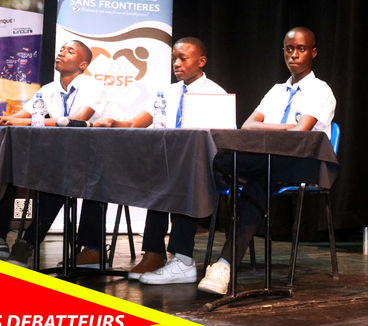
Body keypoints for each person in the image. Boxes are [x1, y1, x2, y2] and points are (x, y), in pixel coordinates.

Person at [198, 26, 335, 295]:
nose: (294, 55)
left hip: (303, 163)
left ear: (313, 52)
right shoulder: (276, 91)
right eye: (289, 49)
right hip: (267, 163)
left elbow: (301, 133)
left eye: (301, 49)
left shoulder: (321, 90)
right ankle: (224, 265)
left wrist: (275, 128)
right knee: (256, 181)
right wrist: (286, 126)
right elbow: (248, 125)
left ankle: (224, 182)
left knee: (223, 162)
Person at [94, 37, 229, 284]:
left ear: (201, 61)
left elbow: (224, 140)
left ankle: (182, 259)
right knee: (160, 174)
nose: (176, 64)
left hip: (204, 168)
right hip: (171, 166)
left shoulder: (215, 93)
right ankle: (154, 254)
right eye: (174, 59)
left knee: (179, 176)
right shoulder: (167, 92)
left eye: (183, 58)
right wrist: (114, 122)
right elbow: (135, 123)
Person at [0, 40, 108, 267]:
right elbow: (17, 118)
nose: (61, 53)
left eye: (70, 51)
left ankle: (28, 244)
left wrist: (27, 121)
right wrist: (7, 119)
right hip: (59, 158)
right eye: (61, 50)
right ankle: (6, 238)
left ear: (83, 64)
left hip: (93, 159)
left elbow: (76, 120)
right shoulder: (48, 89)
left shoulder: (93, 86)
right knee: (11, 169)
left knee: (57, 182)